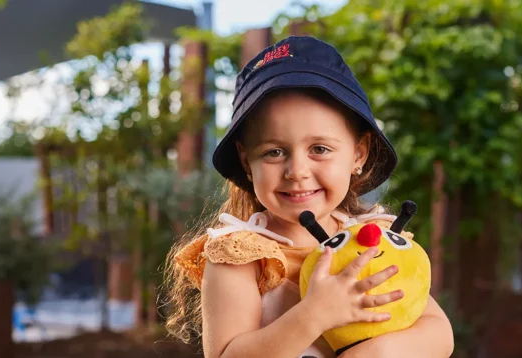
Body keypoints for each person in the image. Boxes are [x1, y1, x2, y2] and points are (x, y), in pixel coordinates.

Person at [162, 36, 455, 358]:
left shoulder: (370, 240)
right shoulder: (242, 257)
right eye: (274, 152)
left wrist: (373, 353)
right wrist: (314, 314)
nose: (297, 171)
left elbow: (437, 330)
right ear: (247, 162)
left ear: (358, 154)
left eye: (320, 149)